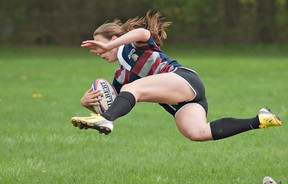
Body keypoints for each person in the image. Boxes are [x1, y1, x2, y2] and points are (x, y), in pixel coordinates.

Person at [71, 11, 282, 141]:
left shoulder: (130, 47)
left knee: (130, 91)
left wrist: (111, 45)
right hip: (185, 101)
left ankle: (107, 122)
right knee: (197, 133)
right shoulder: (121, 75)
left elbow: (144, 33)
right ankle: (260, 119)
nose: (97, 50)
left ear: (115, 38)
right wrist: (87, 104)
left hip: (184, 80)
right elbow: (115, 104)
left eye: (98, 44)